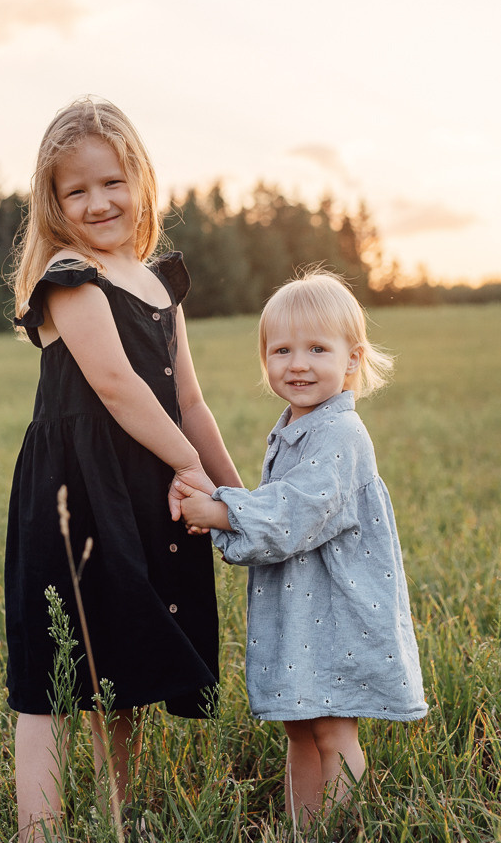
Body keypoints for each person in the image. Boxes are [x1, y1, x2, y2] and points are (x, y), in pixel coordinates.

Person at [4, 96, 243, 842]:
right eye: (76, 190)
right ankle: (38, 830)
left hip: (141, 488)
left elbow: (188, 401)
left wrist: (237, 497)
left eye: (112, 182)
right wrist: (187, 465)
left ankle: (120, 813)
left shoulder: (158, 282)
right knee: (51, 675)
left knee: (124, 660)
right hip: (75, 490)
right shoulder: (68, 277)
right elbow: (116, 387)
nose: (98, 202)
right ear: (53, 203)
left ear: (140, 180)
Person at [172, 269, 427, 829]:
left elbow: (297, 510)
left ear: (353, 359)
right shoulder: (296, 425)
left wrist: (222, 511)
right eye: (281, 350)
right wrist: (228, 511)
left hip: (336, 613)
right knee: (299, 726)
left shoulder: (341, 433)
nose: (298, 364)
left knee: (332, 731)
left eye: (317, 349)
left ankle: (337, 829)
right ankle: (302, 829)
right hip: (302, 610)